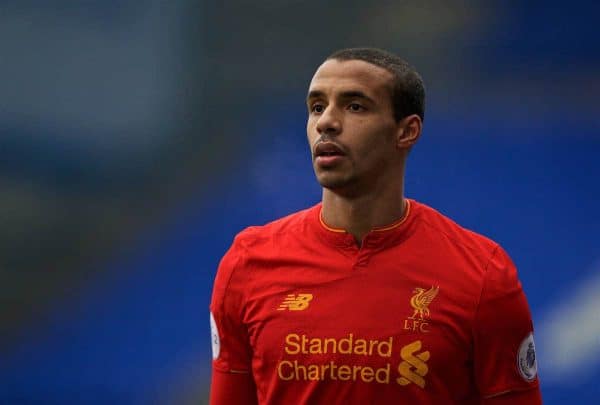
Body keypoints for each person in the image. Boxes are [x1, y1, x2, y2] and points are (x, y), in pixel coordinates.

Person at [209, 47, 541, 404]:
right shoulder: (248, 263)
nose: (326, 123)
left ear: (406, 131)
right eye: (317, 107)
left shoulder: (482, 274)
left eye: (355, 106)